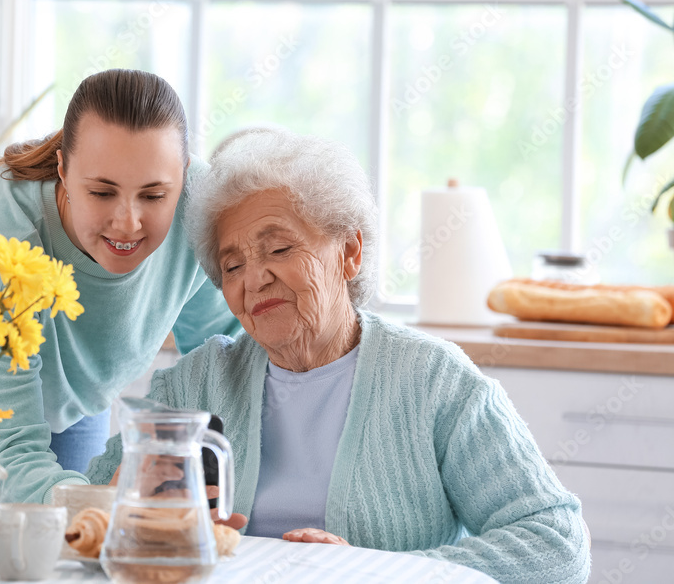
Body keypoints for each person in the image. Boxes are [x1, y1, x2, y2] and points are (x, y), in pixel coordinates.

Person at [86, 129, 591, 583]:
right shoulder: (200, 381)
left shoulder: (432, 379)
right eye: (233, 265)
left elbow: (557, 542)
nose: (254, 278)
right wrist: (128, 504)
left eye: (279, 249)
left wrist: (377, 572)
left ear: (349, 252)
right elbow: (87, 507)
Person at [0, 69, 242, 504]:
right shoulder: (5, 234)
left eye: (153, 196)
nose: (128, 223)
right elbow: (10, 450)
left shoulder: (200, 207)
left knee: (71, 551)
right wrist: (105, 504)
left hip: (70, 392)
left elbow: (224, 361)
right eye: (101, 192)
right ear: (62, 170)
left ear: (184, 175)